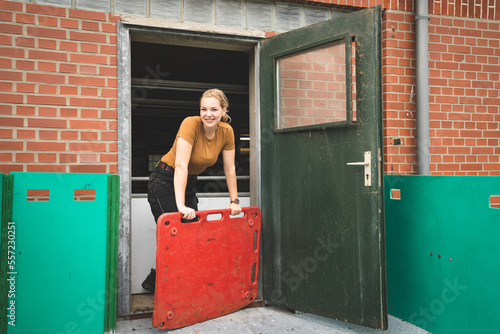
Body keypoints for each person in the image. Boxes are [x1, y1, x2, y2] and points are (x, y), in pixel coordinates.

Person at [142, 88, 243, 292]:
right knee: (175, 235)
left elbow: (230, 168)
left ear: (224, 110)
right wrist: (181, 206)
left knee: (192, 238)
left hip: (187, 182)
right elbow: (181, 165)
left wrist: (235, 201)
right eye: (203, 109)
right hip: (164, 180)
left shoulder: (226, 132)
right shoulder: (190, 124)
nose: (208, 114)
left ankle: (176, 286)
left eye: (214, 109)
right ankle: (164, 287)